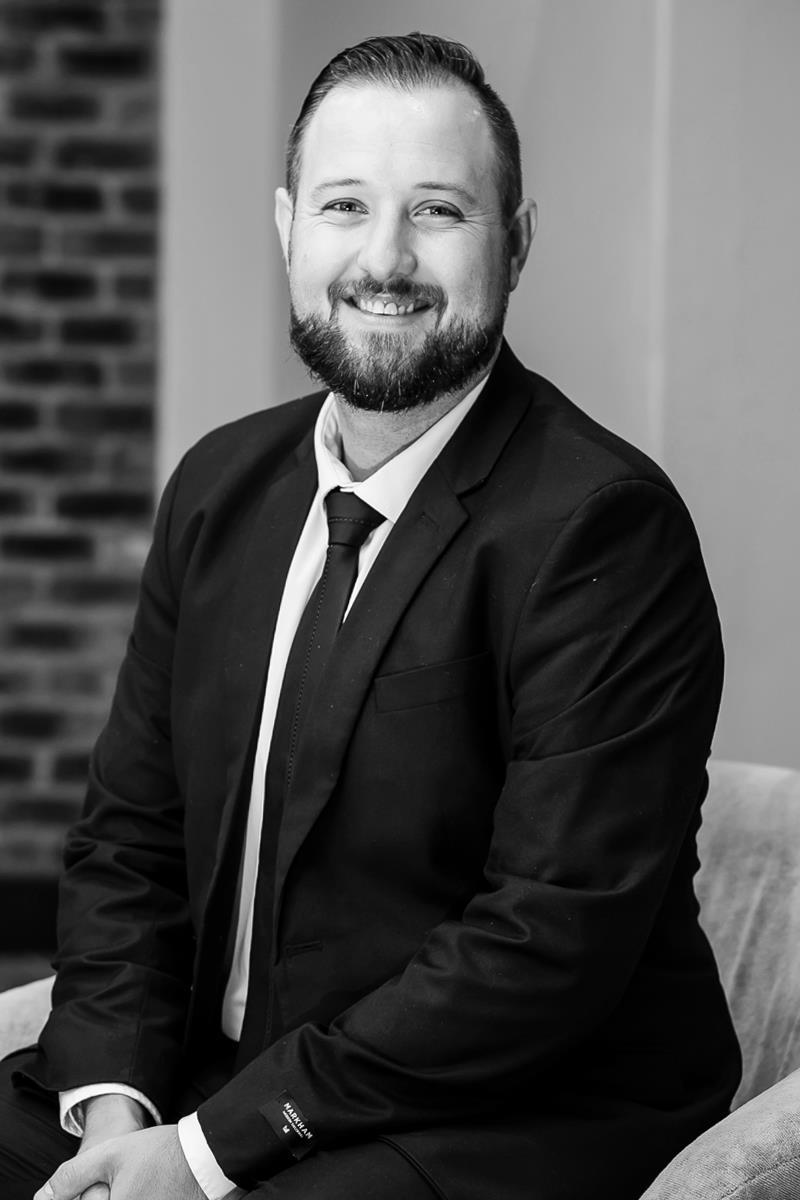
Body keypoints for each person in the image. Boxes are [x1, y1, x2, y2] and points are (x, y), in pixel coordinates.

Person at [0, 31, 740, 1200]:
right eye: (344, 205)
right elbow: (132, 837)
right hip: (220, 1076)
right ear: (288, 227)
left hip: (501, 1107)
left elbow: (542, 945)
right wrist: (114, 1107)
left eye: (437, 210)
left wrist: (201, 1155)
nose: (383, 259)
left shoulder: (603, 528)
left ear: (515, 242)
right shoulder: (218, 487)